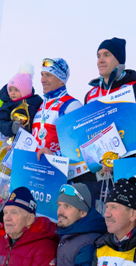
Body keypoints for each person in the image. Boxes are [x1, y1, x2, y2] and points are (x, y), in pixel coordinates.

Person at [31, 58, 96, 186]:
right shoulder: (41, 106)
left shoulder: (71, 105)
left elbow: (82, 147)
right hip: (39, 174)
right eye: (42, 75)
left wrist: (54, 155)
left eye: (48, 75)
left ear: (61, 79)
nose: (42, 80)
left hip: (63, 178)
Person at [84, 37, 136, 107]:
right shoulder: (90, 96)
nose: (101, 60)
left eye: (106, 55)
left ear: (119, 60)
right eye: (99, 56)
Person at [0, 67, 43, 140]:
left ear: (26, 90)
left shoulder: (36, 100)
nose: (12, 93)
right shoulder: (7, 104)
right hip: (16, 141)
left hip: (35, 139)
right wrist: (11, 127)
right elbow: (0, 122)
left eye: (16, 90)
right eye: (10, 90)